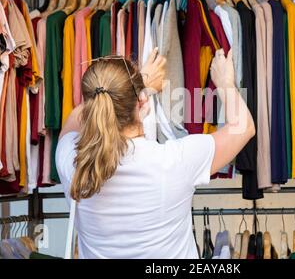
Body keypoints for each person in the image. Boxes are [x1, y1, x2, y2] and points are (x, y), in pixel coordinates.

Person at [55, 47, 255, 258]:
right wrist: (224, 83)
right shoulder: (175, 161)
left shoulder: (74, 165)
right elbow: (244, 127)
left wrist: (141, 86)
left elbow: (75, 119)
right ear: (142, 102)